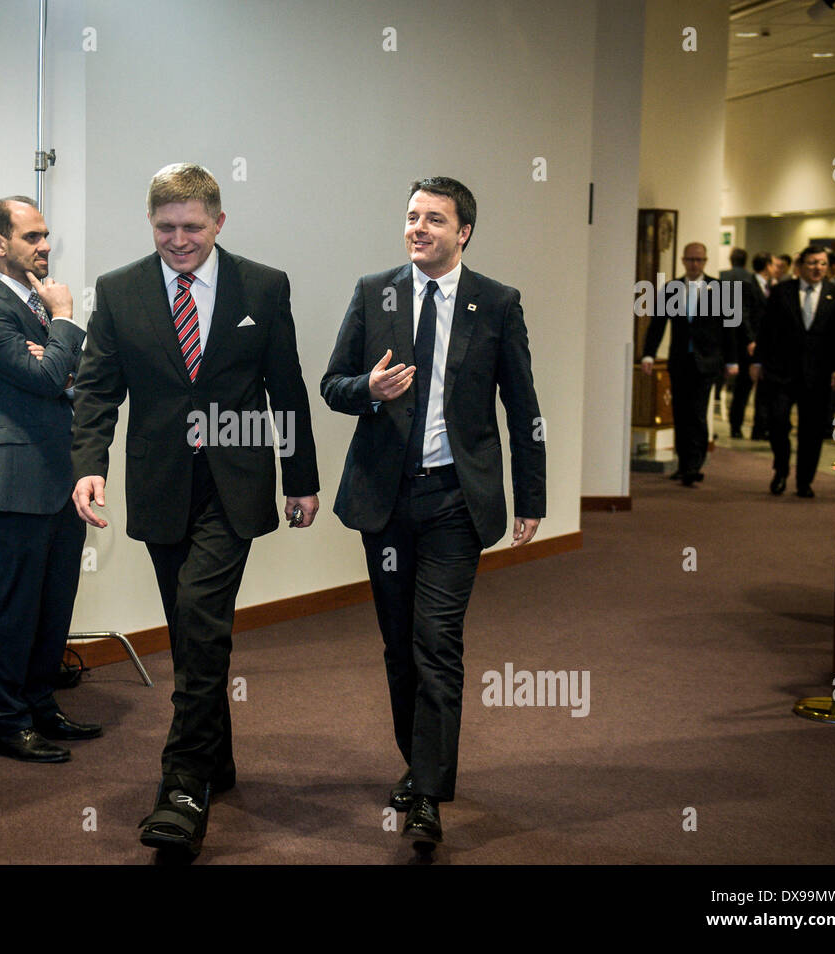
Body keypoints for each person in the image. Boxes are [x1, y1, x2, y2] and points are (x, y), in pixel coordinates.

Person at [70, 163, 319, 858]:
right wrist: (90, 466)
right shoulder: (121, 291)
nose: (178, 241)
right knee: (190, 629)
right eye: (164, 228)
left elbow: (286, 387)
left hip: (233, 485)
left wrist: (301, 478)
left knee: (202, 619)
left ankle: (182, 785)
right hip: (161, 484)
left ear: (218, 221)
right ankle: (219, 758)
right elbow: (96, 390)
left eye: (191, 227)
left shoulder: (262, 286)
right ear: (151, 224)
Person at [321, 176, 545, 848]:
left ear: (464, 232)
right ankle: (419, 764)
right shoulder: (373, 293)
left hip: (455, 499)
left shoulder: (497, 303)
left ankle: (427, 794)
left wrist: (531, 498)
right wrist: (370, 388)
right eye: (412, 216)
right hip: (386, 501)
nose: (419, 228)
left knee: (437, 642)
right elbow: (333, 385)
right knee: (399, 646)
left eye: (435, 220)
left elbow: (524, 407)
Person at [0, 196, 100, 765]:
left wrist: (56, 355)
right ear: (0, 243)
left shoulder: (38, 306)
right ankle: (7, 720)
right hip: (17, 477)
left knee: (54, 599)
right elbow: (47, 379)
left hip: (61, 475)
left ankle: (41, 704)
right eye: (32, 237)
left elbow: (78, 378)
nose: (45, 247)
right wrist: (66, 322)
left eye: (46, 237)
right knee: (16, 603)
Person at [751, 245, 835, 498]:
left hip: (818, 374)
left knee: (812, 429)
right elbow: (766, 329)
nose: (818, 268)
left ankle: (804, 480)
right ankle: (781, 468)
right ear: (801, 266)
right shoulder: (783, 291)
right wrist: (758, 361)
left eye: (823, 264)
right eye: (813, 263)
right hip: (781, 371)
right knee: (778, 420)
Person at [641, 242, 739, 485]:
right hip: (680, 360)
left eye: (699, 260)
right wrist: (649, 354)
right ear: (683, 261)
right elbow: (658, 324)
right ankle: (684, 463)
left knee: (697, 412)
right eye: (691, 260)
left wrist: (733, 360)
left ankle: (694, 465)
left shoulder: (719, 289)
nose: (695, 264)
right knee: (681, 413)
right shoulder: (671, 288)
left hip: (707, 362)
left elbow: (730, 329)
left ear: (705, 262)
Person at [722, 248, 767, 439]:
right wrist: (751, 339)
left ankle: (736, 425)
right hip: (748, 340)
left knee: (741, 387)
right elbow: (745, 313)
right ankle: (751, 426)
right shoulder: (750, 280)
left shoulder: (722, 276)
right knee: (747, 386)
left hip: (729, 334)